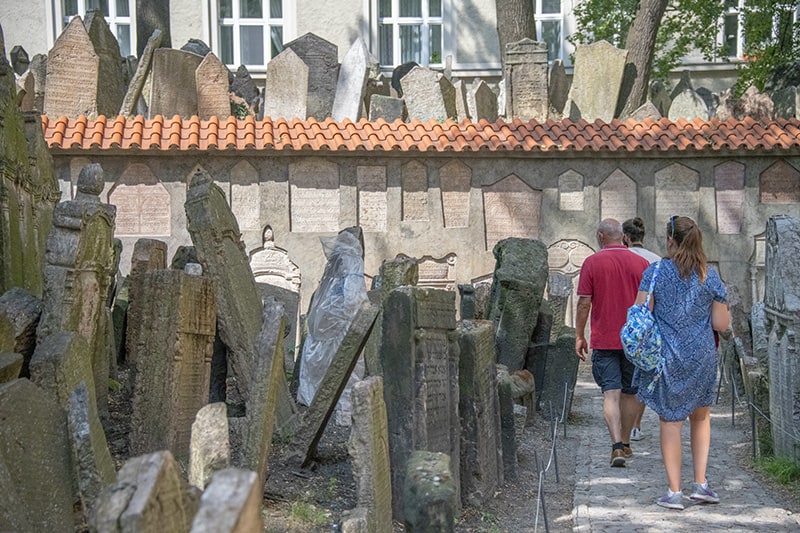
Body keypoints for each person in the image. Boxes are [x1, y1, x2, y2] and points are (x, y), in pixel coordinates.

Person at [634, 216, 730, 510]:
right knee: (701, 418)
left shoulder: (655, 272)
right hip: (702, 355)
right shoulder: (710, 275)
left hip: (667, 355)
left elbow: (641, 314)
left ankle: (674, 492)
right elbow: (721, 324)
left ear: (669, 240)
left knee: (670, 421)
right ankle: (700, 484)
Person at [575, 218, 650, 467]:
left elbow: (584, 302)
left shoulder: (592, 262)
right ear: (624, 237)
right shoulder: (641, 264)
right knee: (630, 393)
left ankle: (616, 445)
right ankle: (627, 442)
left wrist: (579, 335)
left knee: (611, 393)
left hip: (605, 337)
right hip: (634, 340)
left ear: (600, 236)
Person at [622, 217, 661, 443]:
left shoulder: (620, 257)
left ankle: (623, 425)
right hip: (647, 327)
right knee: (641, 377)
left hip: (624, 323)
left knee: (622, 380)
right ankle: (636, 424)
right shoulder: (656, 260)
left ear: (625, 237)